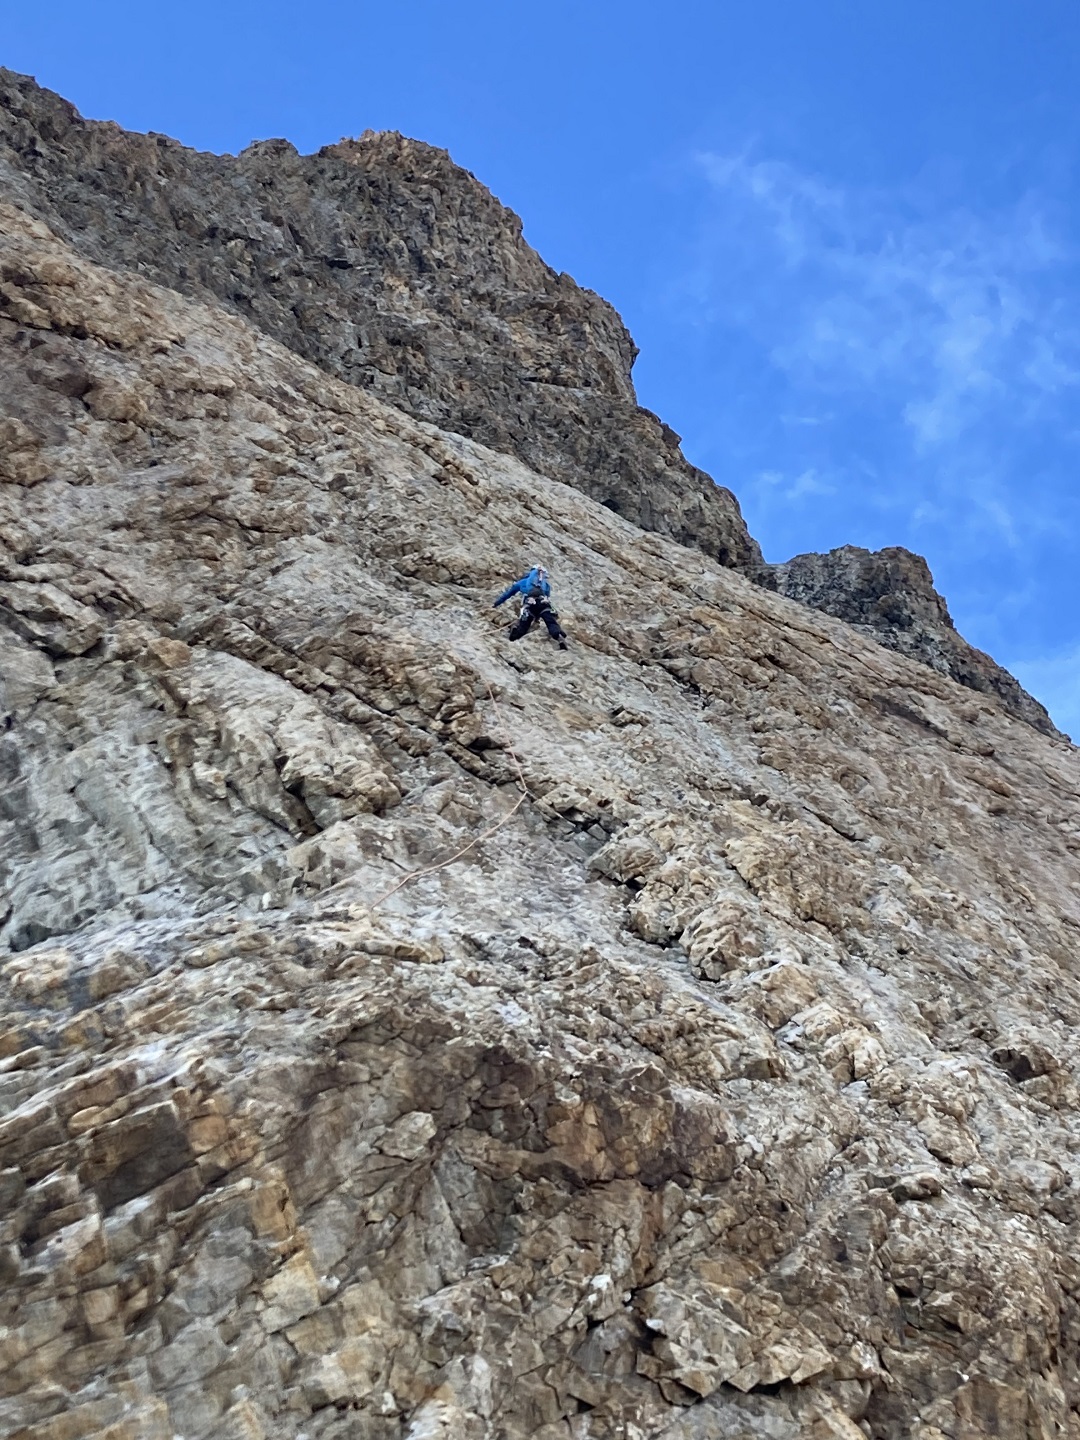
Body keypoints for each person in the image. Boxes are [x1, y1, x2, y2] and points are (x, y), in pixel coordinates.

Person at [493, 564, 568, 648]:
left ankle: (514, 634)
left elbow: (508, 594)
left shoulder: (523, 582)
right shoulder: (546, 585)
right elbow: (547, 599)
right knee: (551, 622)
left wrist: (496, 603)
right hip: (543, 604)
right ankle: (558, 636)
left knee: (523, 626)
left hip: (529, 606)